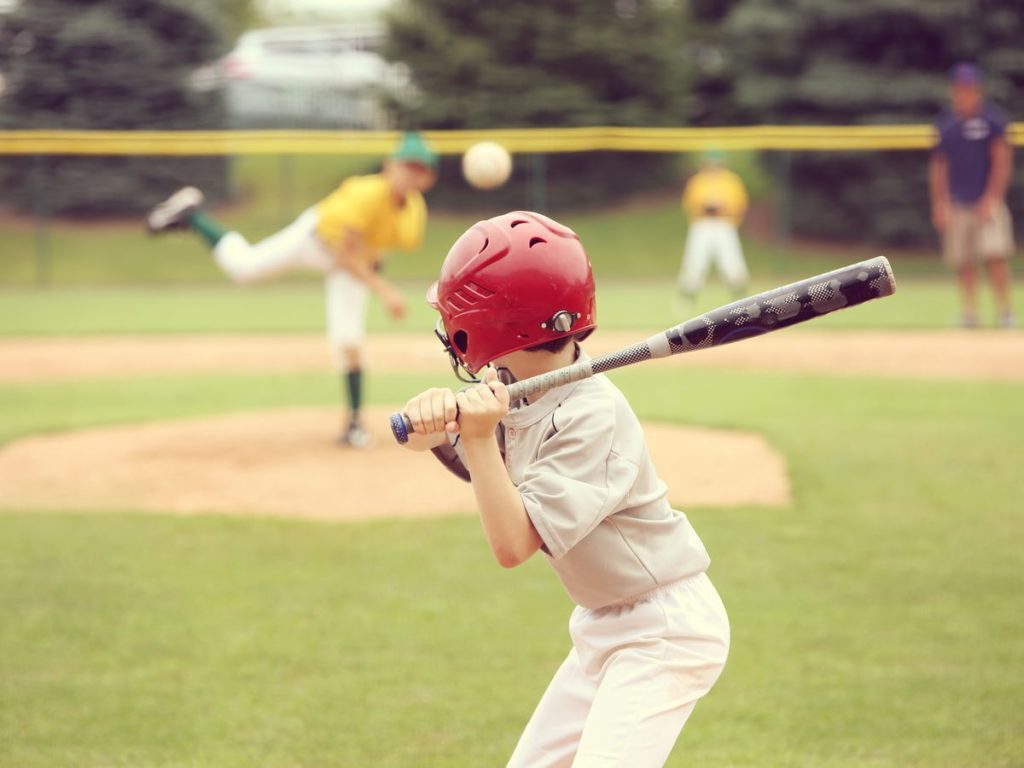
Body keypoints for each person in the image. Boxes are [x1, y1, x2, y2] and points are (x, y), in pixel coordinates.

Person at [401, 211, 730, 767]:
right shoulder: (514, 387)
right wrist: (433, 435)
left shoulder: (592, 414)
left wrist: (478, 437)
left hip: (663, 630)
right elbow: (487, 477)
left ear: (495, 325)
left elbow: (513, 544)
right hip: (603, 623)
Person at [146, 132, 439, 446]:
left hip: (352, 262)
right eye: (406, 166)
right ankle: (193, 216)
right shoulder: (366, 193)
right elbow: (344, 254)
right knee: (244, 267)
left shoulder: (414, 213)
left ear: (428, 178)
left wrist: (375, 277)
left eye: (419, 169)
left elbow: (377, 248)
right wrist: (384, 290)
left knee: (348, 338)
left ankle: (353, 425)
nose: (411, 174)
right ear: (389, 166)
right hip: (315, 240)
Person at [929, 62, 1015, 328]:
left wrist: (992, 198)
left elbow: (1002, 161)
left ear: (978, 90)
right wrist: (940, 203)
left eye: (969, 88)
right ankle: (970, 313)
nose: (964, 93)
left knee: (994, 256)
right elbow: (939, 167)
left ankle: (1005, 312)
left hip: (986, 203)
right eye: (959, 88)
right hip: (957, 204)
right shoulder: (947, 123)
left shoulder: (992, 120)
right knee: (963, 261)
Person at [676, 149, 750, 309]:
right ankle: (687, 300)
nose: (713, 166)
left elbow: (740, 204)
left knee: (732, 263)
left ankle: (741, 300)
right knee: (695, 263)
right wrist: (704, 206)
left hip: (724, 224)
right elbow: (689, 204)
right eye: (710, 163)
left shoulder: (731, 180)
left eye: (716, 163)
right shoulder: (697, 181)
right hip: (702, 225)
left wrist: (724, 207)